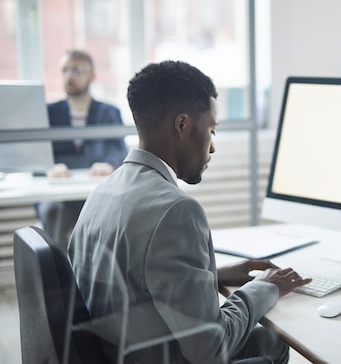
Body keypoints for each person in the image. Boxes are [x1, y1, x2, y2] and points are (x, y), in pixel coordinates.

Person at [68, 60, 311, 364]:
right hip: (153, 355)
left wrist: (213, 275)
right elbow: (211, 350)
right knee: (271, 346)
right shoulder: (176, 211)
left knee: (263, 341)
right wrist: (263, 288)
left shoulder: (104, 192)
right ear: (182, 125)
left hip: (118, 348)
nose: (212, 147)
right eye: (211, 129)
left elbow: (128, 280)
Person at [36, 50, 128, 249]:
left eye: (76, 71)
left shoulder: (109, 112)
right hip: (58, 193)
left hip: (93, 192)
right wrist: (49, 166)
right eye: (65, 71)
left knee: (110, 213)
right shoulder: (48, 113)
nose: (69, 76)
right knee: (53, 210)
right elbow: (36, 154)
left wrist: (110, 164)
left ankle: (94, 275)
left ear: (92, 76)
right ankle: (59, 276)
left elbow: (120, 152)